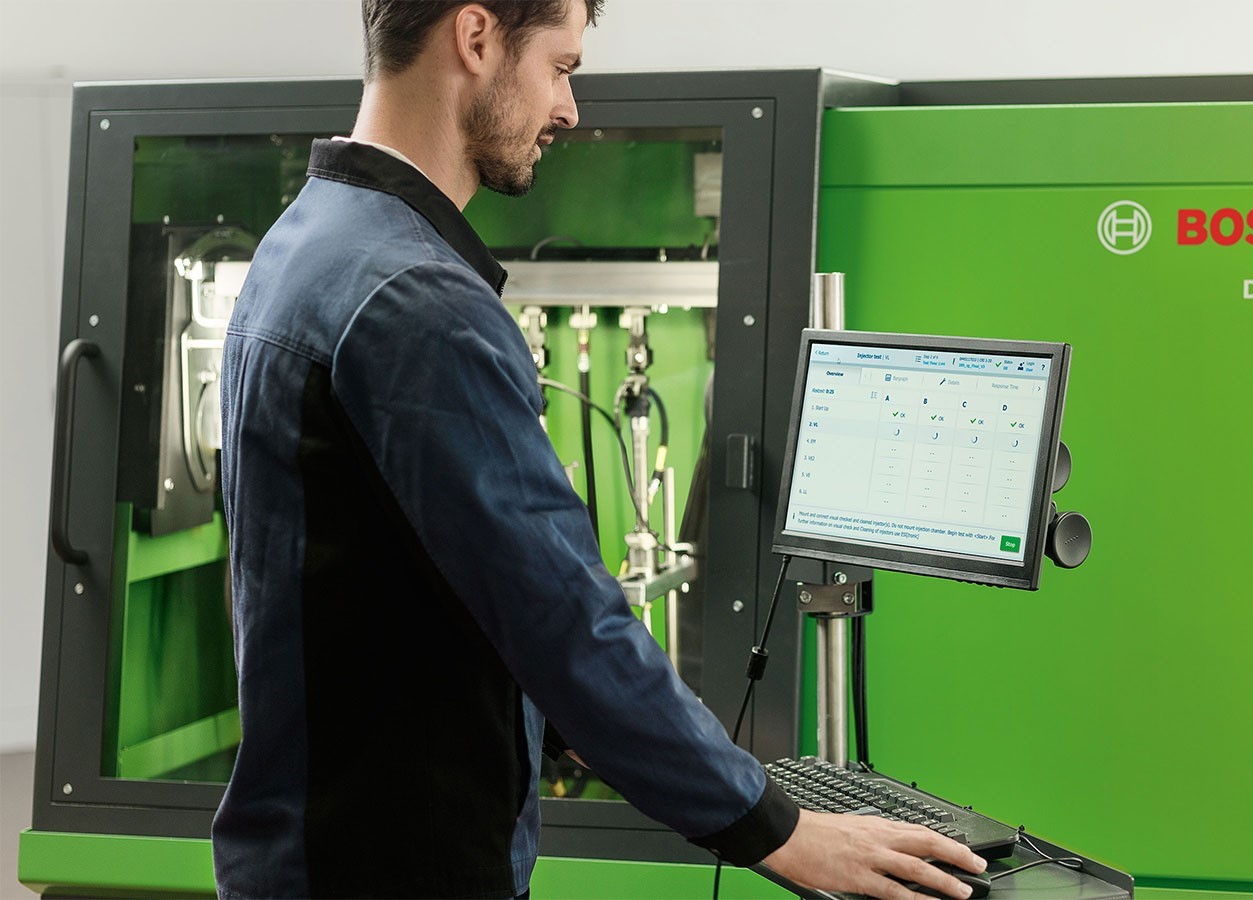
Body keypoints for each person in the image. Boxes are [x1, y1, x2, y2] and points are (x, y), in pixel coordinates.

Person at [214, 1, 988, 897]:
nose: (569, 109)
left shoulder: (307, 241)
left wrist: (585, 720)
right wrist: (781, 831)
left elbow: (414, 584)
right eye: (561, 67)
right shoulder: (419, 300)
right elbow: (561, 620)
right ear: (476, 37)